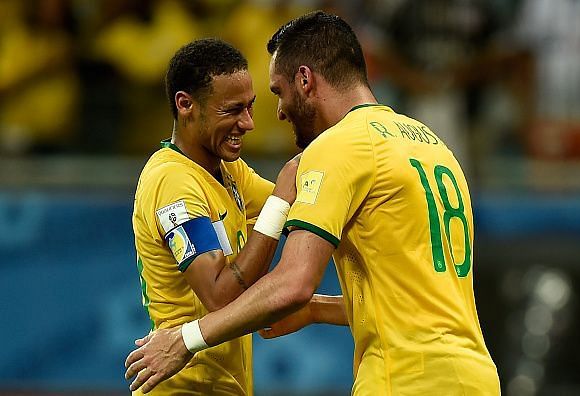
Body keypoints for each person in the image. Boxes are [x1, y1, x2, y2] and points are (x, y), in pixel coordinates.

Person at [125, 11, 500, 395]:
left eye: (277, 93)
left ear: (304, 80)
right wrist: (319, 308)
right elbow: (410, 302)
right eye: (235, 109)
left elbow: (292, 282)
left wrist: (185, 339)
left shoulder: (338, 148)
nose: (276, 114)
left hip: (404, 378)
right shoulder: (431, 145)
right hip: (474, 375)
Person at [129, 37, 298, 395]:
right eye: (232, 110)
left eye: (250, 107)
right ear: (185, 104)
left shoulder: (228, 171)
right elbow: (219, 295)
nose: (248, 123)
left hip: (221, 385)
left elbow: (297, 209)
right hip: (187, 385)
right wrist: (281, 201)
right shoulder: (173, 183)